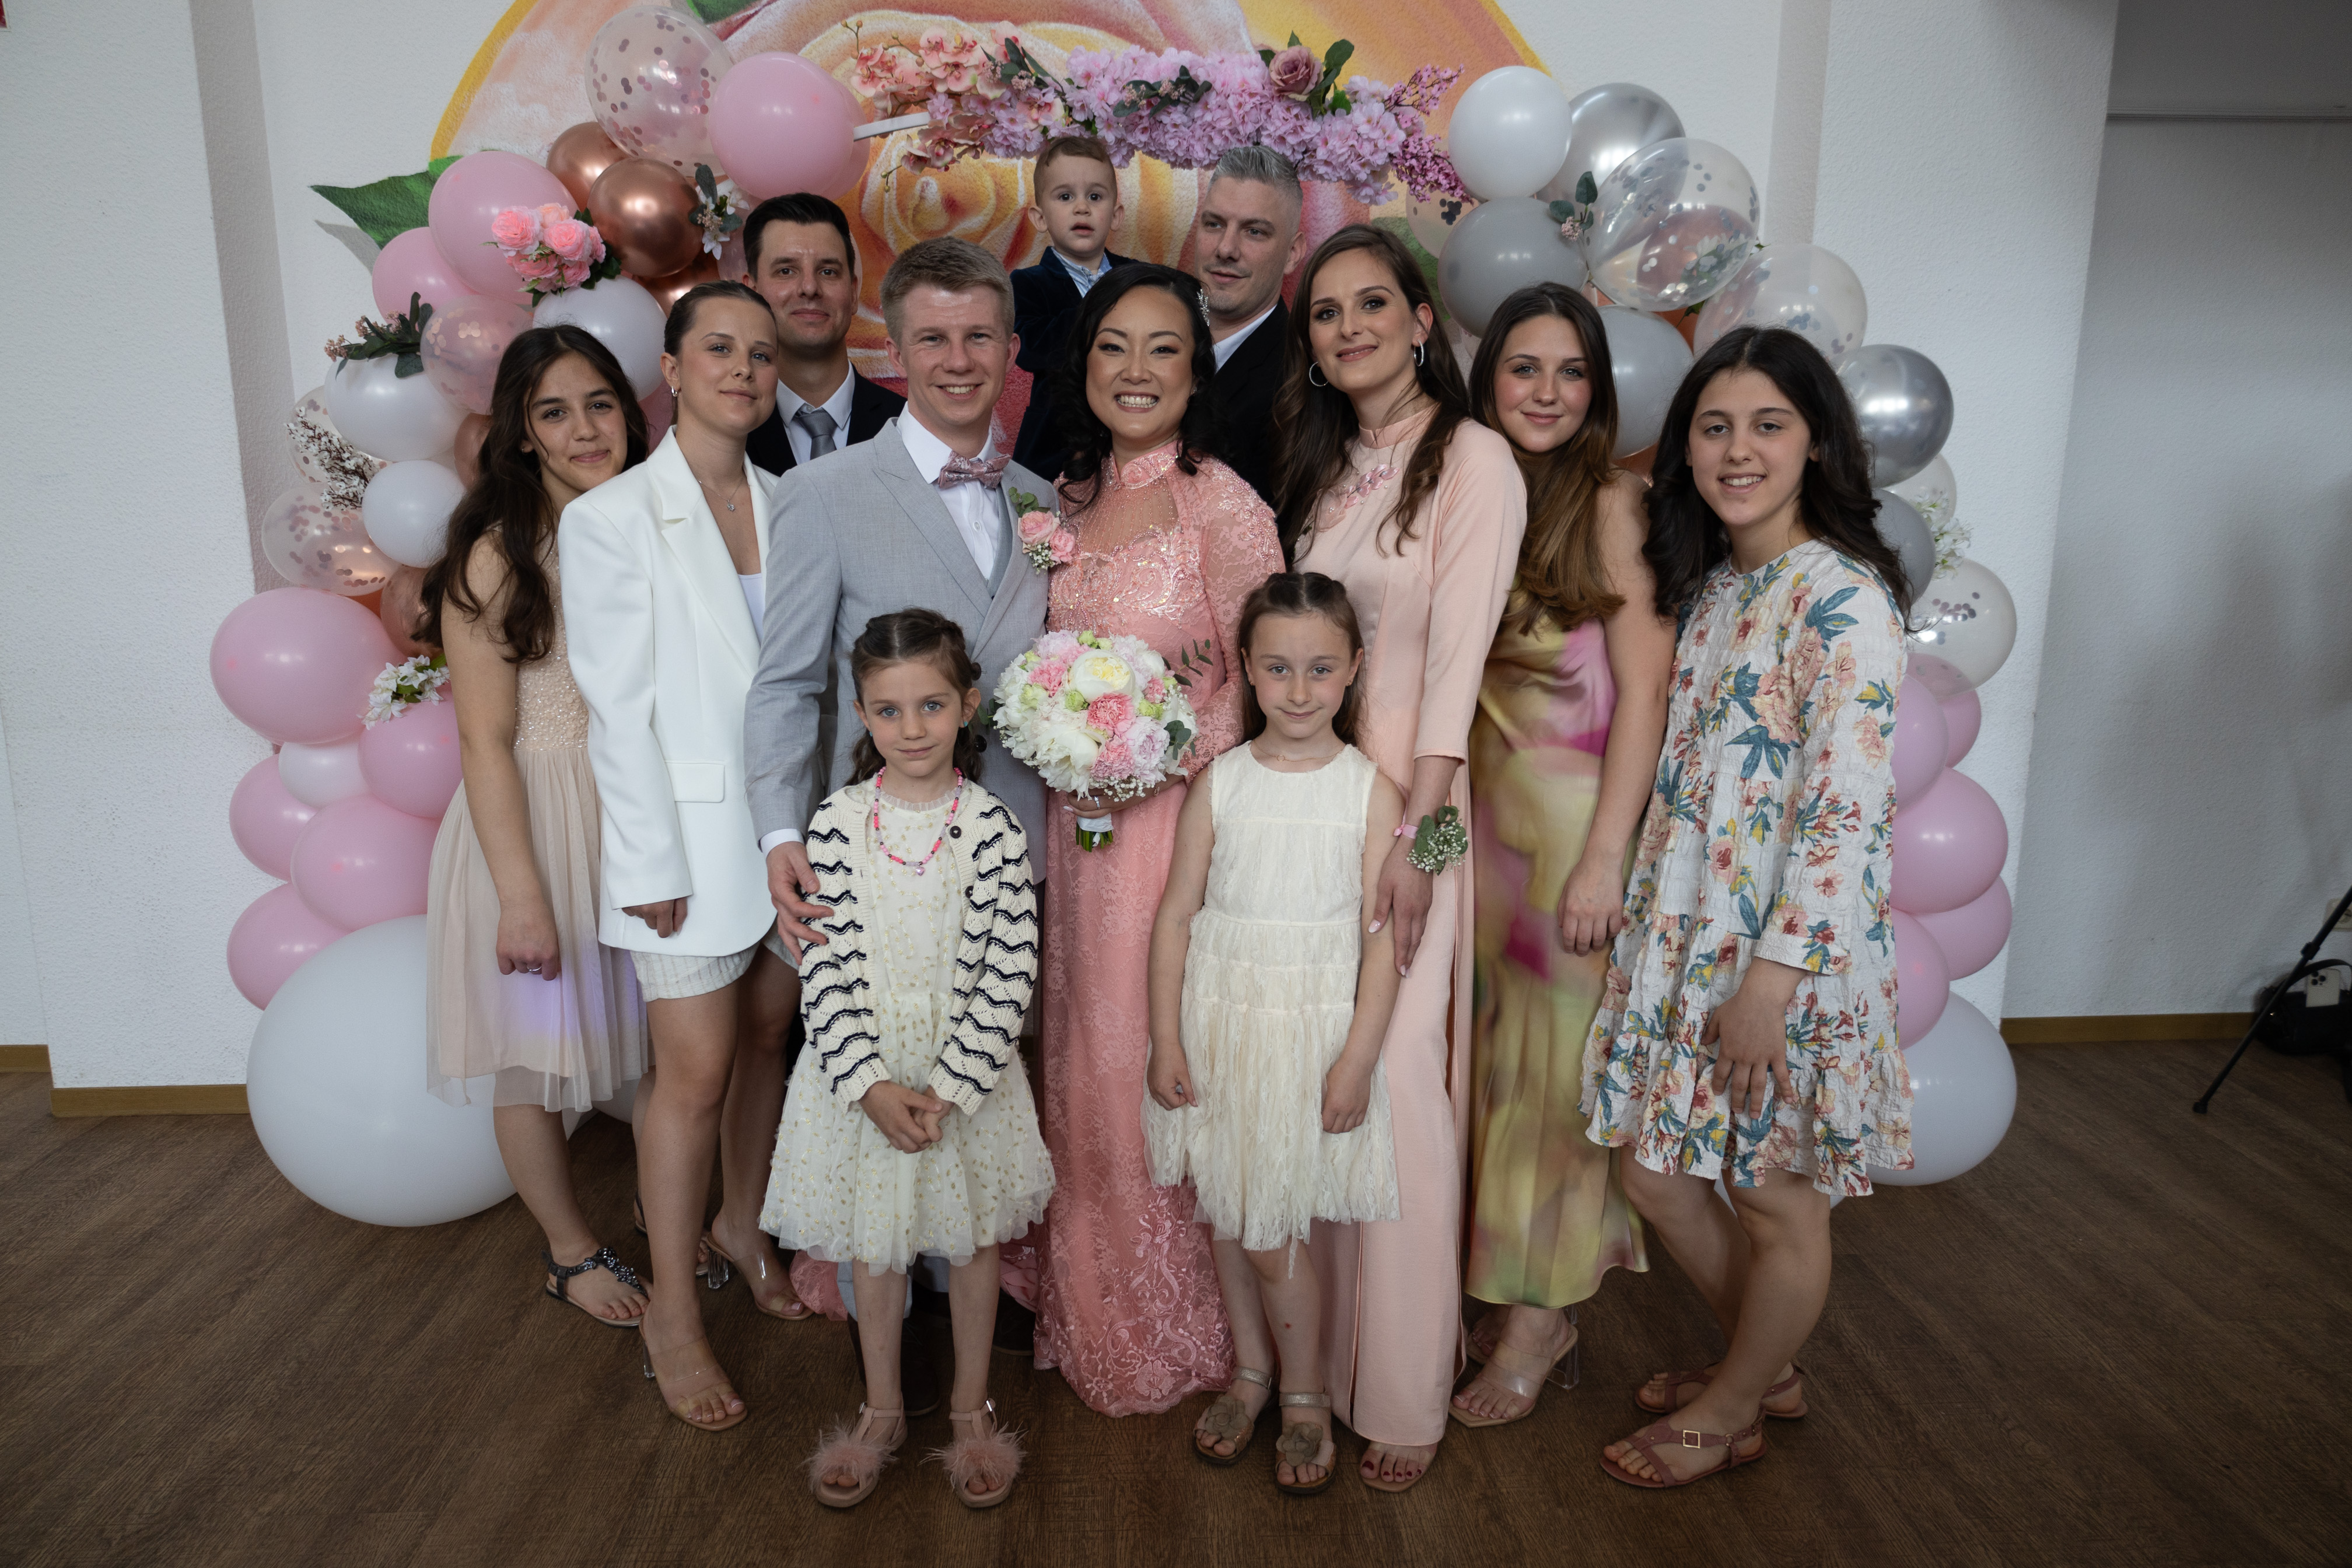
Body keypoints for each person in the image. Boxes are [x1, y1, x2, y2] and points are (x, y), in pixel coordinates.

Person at [1583, 325, 1913, 1487]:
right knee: (1655, 1173)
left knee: (1776, 1200)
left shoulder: (1845, 600)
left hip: (1785, 961)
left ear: (1816, 442)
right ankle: (1759, 1364)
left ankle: (1729, 1406)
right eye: (1714, 427)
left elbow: (1843, 815)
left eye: (1768, 425)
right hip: (1687, 936)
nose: (1738, 450)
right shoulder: (1720, 586)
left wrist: (1769, 987)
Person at [748, 237, 1051, 1385]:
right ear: (897, 349)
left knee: (982, 1069)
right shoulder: (824, 494)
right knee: (872, 1064)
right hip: (876, 865)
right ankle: (887, 1316)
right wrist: (783, 834)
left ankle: (973, 1298)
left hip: (1010, 852)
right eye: (933, 337)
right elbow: (786, 684)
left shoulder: (1038, 500)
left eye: (979, 335)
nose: (958, 359)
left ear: (1011, 349)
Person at [1275, 223, 1526, 1491]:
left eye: (1372, 304)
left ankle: (1408, 1391)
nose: (1350, 328)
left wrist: (1422, 847)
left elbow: (1457, 670)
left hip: (1415, 815)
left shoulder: (1472, 458)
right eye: (1327, 314)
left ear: (1423, 321)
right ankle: (1324, 1368)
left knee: (1401, 1090)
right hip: (1313, 810)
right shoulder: (1325, 469)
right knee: (1328, 1079)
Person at [1013, 262, 1286, 1417]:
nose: (1135, 369)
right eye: (1113, 345)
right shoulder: (1064, 504)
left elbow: (1264, 680)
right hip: (1076, 833)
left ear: (1196, 371)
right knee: (1079, 1050)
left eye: (1163, 347)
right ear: (1084, 363)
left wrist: (1154, 746)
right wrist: (1063, 736)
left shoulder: (1222, 505)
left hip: (1177, 832)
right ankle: (1089, 1295)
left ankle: (1184, 1320)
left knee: (1145, 1060)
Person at [562, 281, 803, 1431]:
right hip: (686, 845)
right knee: (694, 1072)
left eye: (762, 352)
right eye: (719, 347)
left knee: (766, 1040)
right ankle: (672, 1308)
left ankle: (740, 1225)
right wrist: (648, 861)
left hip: (788, 832)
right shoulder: (612, 518)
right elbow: (616, 710)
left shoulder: (793, 501)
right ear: (670, 367)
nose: (743, 368)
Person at [764, 610, 1051, 1510]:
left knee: (972, 1241)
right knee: (876, 1245)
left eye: (932, 705)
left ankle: (970, 1409)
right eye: (889, 711)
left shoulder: (995, 827)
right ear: (861, 715)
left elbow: (1011, 968)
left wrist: (952, 1087)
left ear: (968, 705)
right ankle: (882, 1408)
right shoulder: (837, 824)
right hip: (868, 1080)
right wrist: (870, 1086)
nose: (913, 728)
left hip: (965, 1080)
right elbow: (823, 968)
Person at [1449, 285, 1674, 1427]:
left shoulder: (1616, 502)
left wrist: (1604, 861)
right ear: (1487, 377)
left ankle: (1542, 1320)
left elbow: (1647, 691)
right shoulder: (1473, 487)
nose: (1545, 391)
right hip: (1482, 840)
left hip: (1573, 836)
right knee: (1493, 1073)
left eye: (1569, 370)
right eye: (1523, 367)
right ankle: (1498, 1284)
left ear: (1598, 390)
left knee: (1555, 1084)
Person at [1144, 570, 1405, 1494]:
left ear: (1354, 669)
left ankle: (1305, 1394)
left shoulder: (1372, 792)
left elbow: (1382, 941)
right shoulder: (1221, 783)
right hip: (1221, 1024)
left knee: (1271, 1225)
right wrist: (1166, 1040)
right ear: (1249, 670)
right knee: (1228, 1206)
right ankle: (1252, 1371)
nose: (1299, 690)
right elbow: (1176, 917)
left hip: (1305, 1037)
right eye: (1279, 668)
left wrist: (1358, 1058)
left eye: (1321, 669)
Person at [423, 326, 652, 1326]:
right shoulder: (497, 555)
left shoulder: (651, 525)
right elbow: (484, 739)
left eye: (599, 403)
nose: (584, 429)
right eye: (554, 412)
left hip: (635, 814)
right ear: (521, 434)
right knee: (534, 1054)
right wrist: (521, 896)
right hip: (533, 822)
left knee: (661, 1041)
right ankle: (569, 1250)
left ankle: (667, 1213)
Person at [738, 192, 905, 478]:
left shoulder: (908, 425)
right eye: (786, 271)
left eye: (828, 272)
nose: (810, 288)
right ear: (751, 293)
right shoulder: (729, 430)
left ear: (853, 293)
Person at [1010, 134, 1134, 484]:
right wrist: (1101, 305)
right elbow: (1029, 348)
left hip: (1129, 439)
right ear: (1040, 217)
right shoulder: (1027, 283)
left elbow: (1194, 303)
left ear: (1116, 215)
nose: (1082, 208)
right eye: (1065, 197)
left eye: (1095, 197)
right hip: (1056, 446)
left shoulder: (1137, 276)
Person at [1189, 145, 1307, 509]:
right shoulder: (1150, 333)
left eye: (1254, 231)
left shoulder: (1301, 382)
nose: (1226, 249)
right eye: (1214, 224)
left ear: (1292, 254)